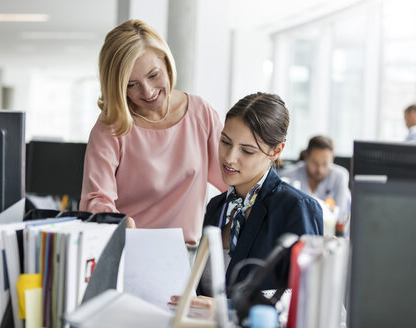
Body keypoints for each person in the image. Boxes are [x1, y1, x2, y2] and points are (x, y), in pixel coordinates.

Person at [169, 93, 323, 309]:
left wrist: (226, 308)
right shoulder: (217, 207)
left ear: (276, 150)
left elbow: (308, 297)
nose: (229, 158)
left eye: (247, 150)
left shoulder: (296, 208)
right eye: (225, 142)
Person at [79, 19, 227, 244]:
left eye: (153, 75)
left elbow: (231, 178)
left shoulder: (200, 113)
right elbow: (96, 199)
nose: (147, 92)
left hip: (188, 257)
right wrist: (117, 221)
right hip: (131, 251)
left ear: (167, 64)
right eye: (131, 84)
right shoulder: (111, 127)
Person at [279, 135, 351, 217]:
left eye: (325, 164)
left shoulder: (340, 176)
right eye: (315, 163)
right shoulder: (287, 176)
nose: (320, 169)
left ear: (332, 159)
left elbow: (340, 215)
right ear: (306, 157)